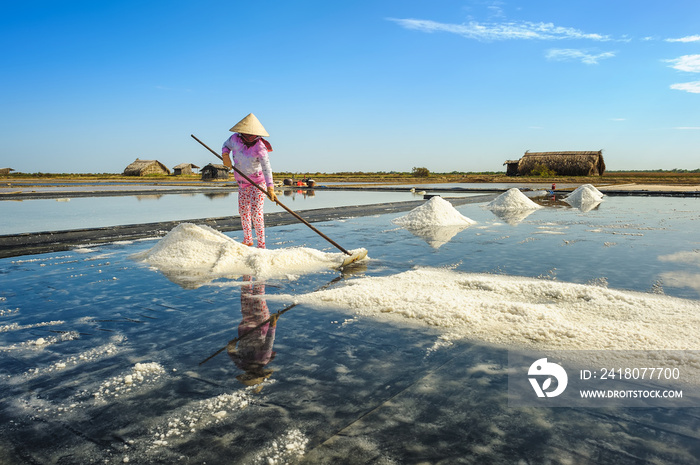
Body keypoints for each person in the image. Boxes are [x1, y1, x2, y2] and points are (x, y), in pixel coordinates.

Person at [222, 113, 277, 248]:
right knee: (243, 211)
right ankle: (248, 239)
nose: (249, 137)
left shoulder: (260, 146)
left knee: (256, 214)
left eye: (252, 135)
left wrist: (270, 188)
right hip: (242, 183)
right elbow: (225, 145)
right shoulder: (234, 139)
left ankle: (262, 245)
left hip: (258, 184)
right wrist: (225, 156)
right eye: (246, 134)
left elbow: (267, 168)